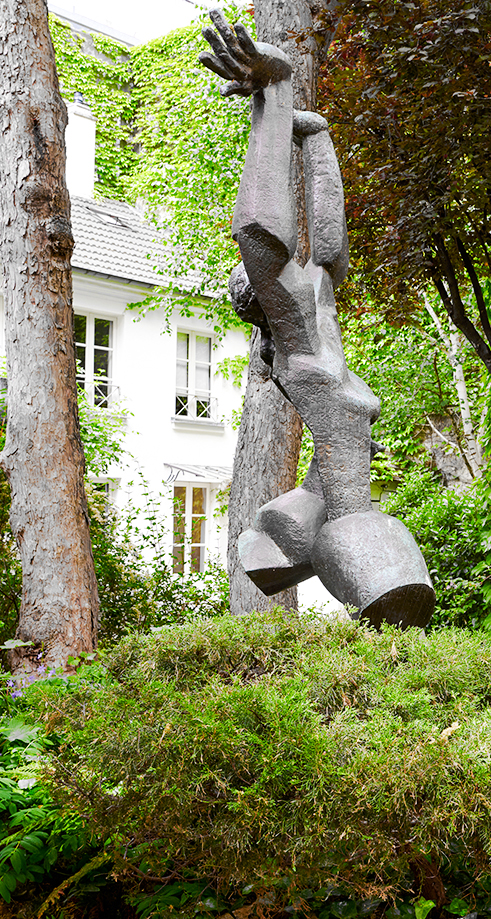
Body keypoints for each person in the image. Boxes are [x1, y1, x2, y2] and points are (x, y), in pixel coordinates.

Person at [200, 11, 434, 628]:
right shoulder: (301, 332)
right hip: (346, 508)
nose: (294, 277)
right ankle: (291, 547)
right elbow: (282, 235)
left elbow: (302, 240)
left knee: (289, 540)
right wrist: (287, 116)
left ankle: (292, 547)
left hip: (350, 509)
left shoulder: (308, 326)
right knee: (278, 544)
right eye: (268, 283)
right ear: (266, 303)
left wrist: (298, 123)